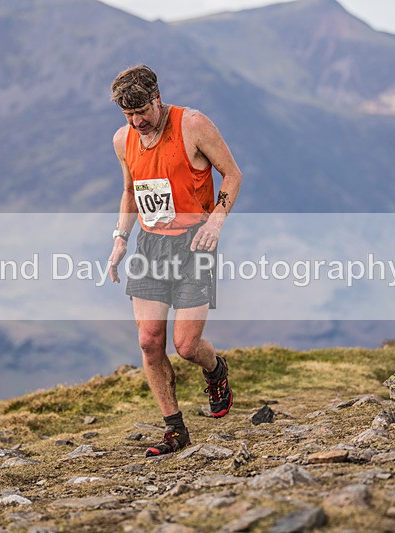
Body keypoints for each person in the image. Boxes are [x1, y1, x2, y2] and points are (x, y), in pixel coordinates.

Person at [107, 65, 243, 457]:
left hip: (194, 244)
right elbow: (131, 192)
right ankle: (175, 430)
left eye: (142, 113)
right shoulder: (124, 139)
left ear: (157, 99)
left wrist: (217, 220)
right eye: (128, 116)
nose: (137, 122)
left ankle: (215, 370)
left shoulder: (194, 125)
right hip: (150, 246)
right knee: (150, 342)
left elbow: (232, 175)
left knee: (185, 346)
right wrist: (120, 239)